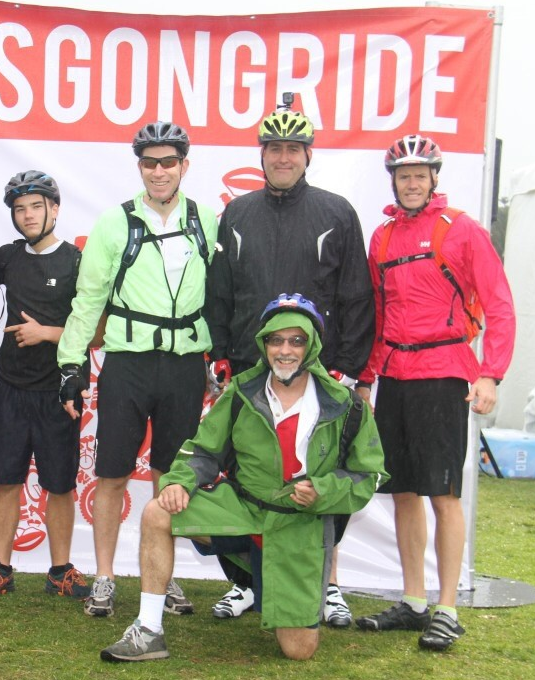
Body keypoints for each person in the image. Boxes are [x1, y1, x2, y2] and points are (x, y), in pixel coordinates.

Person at [100, 294, 386, 662]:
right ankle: (149, 629)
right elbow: (203, 451)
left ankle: (266, 576)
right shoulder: (241, 391)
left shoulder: (345, 403)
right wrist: (178, 482)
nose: (285, 350)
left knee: (298, 650)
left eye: (296, 340)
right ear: (264, 344)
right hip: (243, 511)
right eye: (276, 340)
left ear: (312, 344)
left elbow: (369, 474)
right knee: (158, 512)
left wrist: (323, 490)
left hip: (299, 526)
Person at [205, 95, 375, 626]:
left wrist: (351, 369)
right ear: (262, 155)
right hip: (250, 369)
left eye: (293, 149)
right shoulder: (237, 213)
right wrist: (219, 354)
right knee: (243, 475)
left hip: (318, 372)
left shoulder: (336, 212)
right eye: (274, 148)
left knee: (320, 476)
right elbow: (221, 292)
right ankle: (245, 582)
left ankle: (328, 584)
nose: (283, 157)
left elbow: (357, 296)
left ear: (308, 156)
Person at [354, 135, 516, 650]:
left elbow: (499, 303)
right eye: (403, 175)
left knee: (443, 494)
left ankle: (447, 607)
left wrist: (491, 374)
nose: (411, 183)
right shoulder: (381, 238)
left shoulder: (461, 229)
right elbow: (379, 315)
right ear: (394, 181)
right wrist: (366, 378)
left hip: (444, 373)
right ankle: (414, 600)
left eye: (419, 175)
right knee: (403, 492)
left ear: (434, 179)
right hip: (395, 377)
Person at [56, 121, 218, 617]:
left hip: (185, 364)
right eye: (150, 162)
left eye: (169, 162)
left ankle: (160, 576)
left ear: (184, 166)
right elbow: (89, 299)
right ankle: (105, 576)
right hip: (128, 363)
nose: (159, 171)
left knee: (171, 476)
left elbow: (222, 293)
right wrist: (71, 364)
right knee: (112, 473)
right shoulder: (115, 222)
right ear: (140, 167)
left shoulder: (206, 220)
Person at [0, 170, 88, 599]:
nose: (28, 215)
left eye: (37, 206)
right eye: (20, 209)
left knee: (60, 485)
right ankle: (0, 567)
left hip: (59, 390)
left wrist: (48, 333)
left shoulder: (77, 261)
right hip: (11, 387)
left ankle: (60, 571)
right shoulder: (6, 258)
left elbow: (98, 331)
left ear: (54, 209)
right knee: (6, 480)